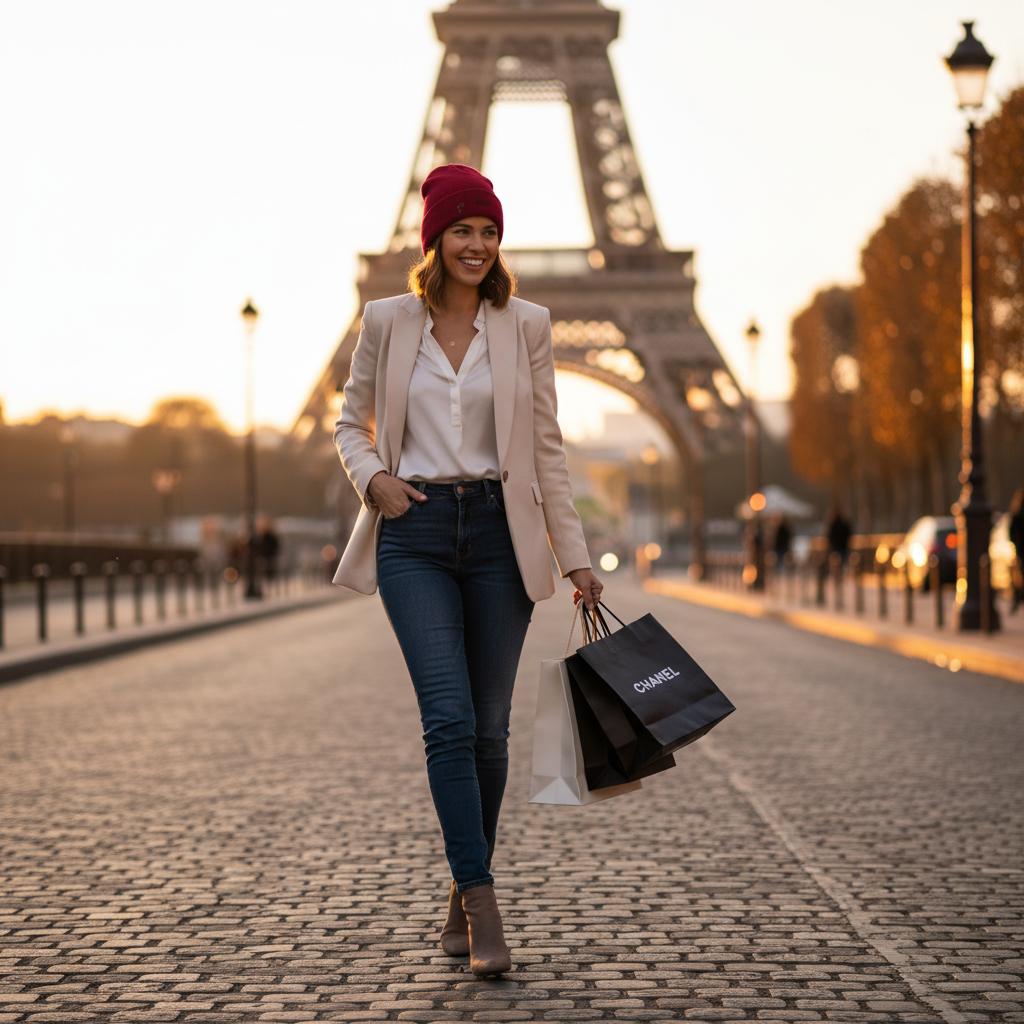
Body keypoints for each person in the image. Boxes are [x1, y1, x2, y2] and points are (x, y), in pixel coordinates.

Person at [331, 163, 603, 977]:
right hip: (412, 530)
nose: (477, 244)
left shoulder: (528, 324)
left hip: (497, 536)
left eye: (487, 231)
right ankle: (484, 905)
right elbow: (351, 423)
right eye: (462, 230)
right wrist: (373, 478)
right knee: (448, 720)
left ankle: (459, 890)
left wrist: (579, 559)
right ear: (434, 240)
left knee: (488, 731)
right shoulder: (386, 321)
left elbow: (547, 454)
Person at [1009, 487, 1024, 613]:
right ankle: (1018, 597)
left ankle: (1018, 598)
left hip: (1020, 549)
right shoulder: (1018, 514)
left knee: (1019, 575)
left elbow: (1011, 533)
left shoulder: (1016, 514)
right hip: (1021, 549)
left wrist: (1015, 545)